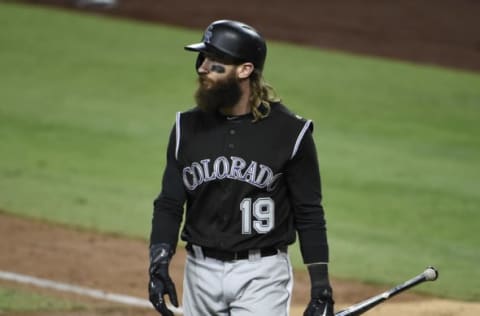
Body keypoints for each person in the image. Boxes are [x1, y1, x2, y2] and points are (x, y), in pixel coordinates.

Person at [148, 19, 335, 316]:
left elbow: (309, 212)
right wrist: (158, 262)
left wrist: (321, 287)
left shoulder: (290, 132)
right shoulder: (187, 127)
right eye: (203, 58)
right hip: (199, 272)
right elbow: (170, 203)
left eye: (215, 61)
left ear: (245, 70)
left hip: (261, 275)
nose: (202, 67)